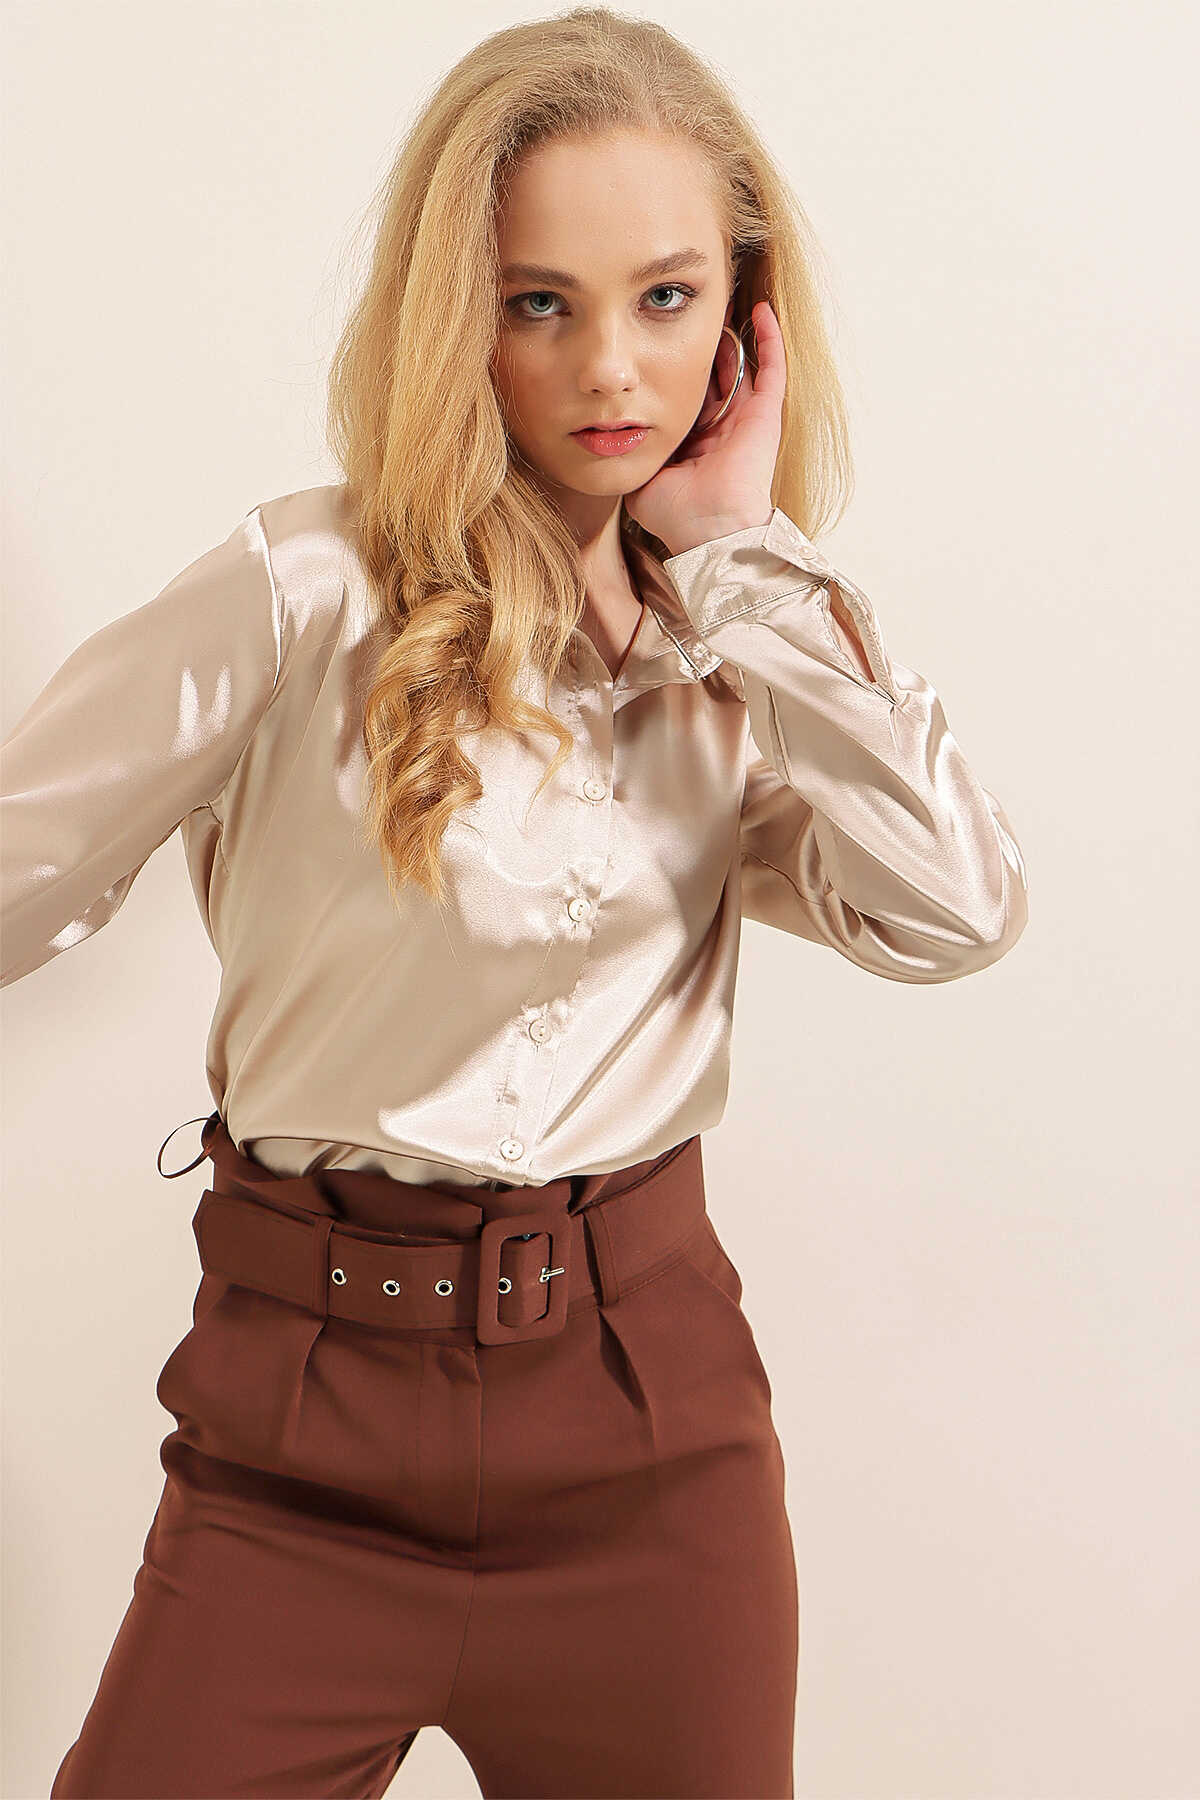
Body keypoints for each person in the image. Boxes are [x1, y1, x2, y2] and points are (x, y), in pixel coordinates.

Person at [1, 7, 1029, 1796]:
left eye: (666, 297)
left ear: (744, 322)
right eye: (539, 301)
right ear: (453, 316)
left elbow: (953, 911)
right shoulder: (301, 591)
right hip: (292, 1447)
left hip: (652, 1455)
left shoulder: (741, 646)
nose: (610, 367)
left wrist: (744, 562)